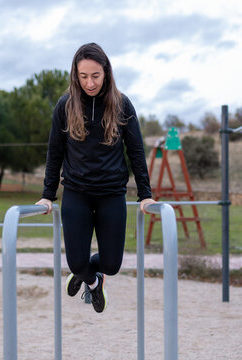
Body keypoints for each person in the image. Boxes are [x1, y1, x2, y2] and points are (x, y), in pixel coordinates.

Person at [35, 43, 155, 313]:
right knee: (77, 264)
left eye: (95, 76)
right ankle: (91, 279)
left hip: (111, 194)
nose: (89, 82)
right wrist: (47, 194)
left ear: (106, 73)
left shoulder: (122, 104)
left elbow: (136, 151)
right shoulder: (65, 105)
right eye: (83, 76)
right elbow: (55, 152)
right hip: (77, 192)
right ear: (75, 75)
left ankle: (98, 276)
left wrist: (145, 194)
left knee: (112, 265)